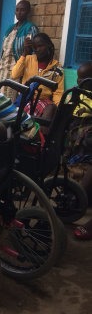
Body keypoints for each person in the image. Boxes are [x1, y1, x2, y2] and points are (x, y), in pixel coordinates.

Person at [64, 61, 92, 240]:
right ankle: (77, 198)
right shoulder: (75, 95)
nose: (80, 83)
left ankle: (77, 198)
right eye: (79, 79)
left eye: (86, 80)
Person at [11, 32, 64, 124]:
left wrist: (58, 107)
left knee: (49, 112)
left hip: (44, 101)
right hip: (26, 98)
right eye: (34, 47)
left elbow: (58, 91)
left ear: (49, 46)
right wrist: (24, 53)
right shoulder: (27, 59)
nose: (37, 49)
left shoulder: (57, 68)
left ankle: (39, 136)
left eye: (40, 46)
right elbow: (15, 74)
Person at [0, 0, 39, 100]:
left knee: (10, 97)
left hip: (16, 68)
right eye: (17, 10)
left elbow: (33, 51)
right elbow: (4, 48)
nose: (19, 12)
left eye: (22, 10)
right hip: (3, 67)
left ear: (28, 12)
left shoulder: (30, 28)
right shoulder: (10, 28)